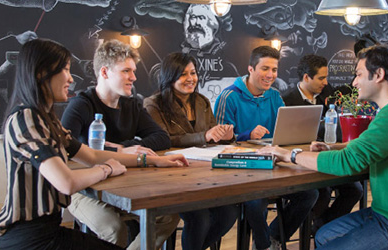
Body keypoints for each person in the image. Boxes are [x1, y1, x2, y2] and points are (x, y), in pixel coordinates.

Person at [0, 38, 188, 250]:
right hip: (28, 239)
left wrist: (151, 160)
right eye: (65, 70)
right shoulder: (27, 118)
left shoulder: (46, 120)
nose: (70, 79)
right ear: (41, 74)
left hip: (47, 231)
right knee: (114, 230)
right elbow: (66, 182)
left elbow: (91, 155)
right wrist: (106, 169)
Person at [259, 45, 388, 249]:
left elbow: (347, 163)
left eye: (359, 74)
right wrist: (333, 147)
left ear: (378, 74)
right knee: (323, 235)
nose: (354, 82)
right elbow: (366, 144)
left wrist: (289, 155)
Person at [61, 39, 179, 250]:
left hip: (125, 187)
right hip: (85, 190)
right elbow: (68, 147)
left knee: (167, 216)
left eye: (133, 71)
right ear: (105, 72)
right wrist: (122, 150)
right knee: (115, 229)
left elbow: (162, 137)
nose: (133, 77)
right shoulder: (81, 104)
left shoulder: (132, 105)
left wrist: (128, 145)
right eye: (126, 71)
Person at [213, 46, 318, 250]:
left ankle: (274, 238)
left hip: (272, 166)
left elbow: (284, 131)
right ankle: (263, 246)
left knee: (310, 194)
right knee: (256, 201)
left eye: (274, 69)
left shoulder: (275, 96)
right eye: (265, 69)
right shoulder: (229, 97)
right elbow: (217, 142)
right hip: (240, 169)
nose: (270, 75)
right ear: (250, 69)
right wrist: (246, 135)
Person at [143, 52, 239, 250]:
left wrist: (225, 135)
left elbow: (212, 136)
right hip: (172, 177)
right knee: (201, 218)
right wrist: (203, 136)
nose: (191, 79)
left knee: (229, 213)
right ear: (169, 77)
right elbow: (163, 141)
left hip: (203, 174)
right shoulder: (153, 104)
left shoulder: (201, 101)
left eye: (193, 73)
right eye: (183, 74)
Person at [280, 54, 363, 232]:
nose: (326, 82)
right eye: (321, 78)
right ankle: (319, 231)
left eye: (327, 77)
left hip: (324, 157)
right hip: (298, 162)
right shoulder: (285, 100)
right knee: (321, 192)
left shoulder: (326, 94)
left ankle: (323, 227)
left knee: (355, 189)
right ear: (306, 78)